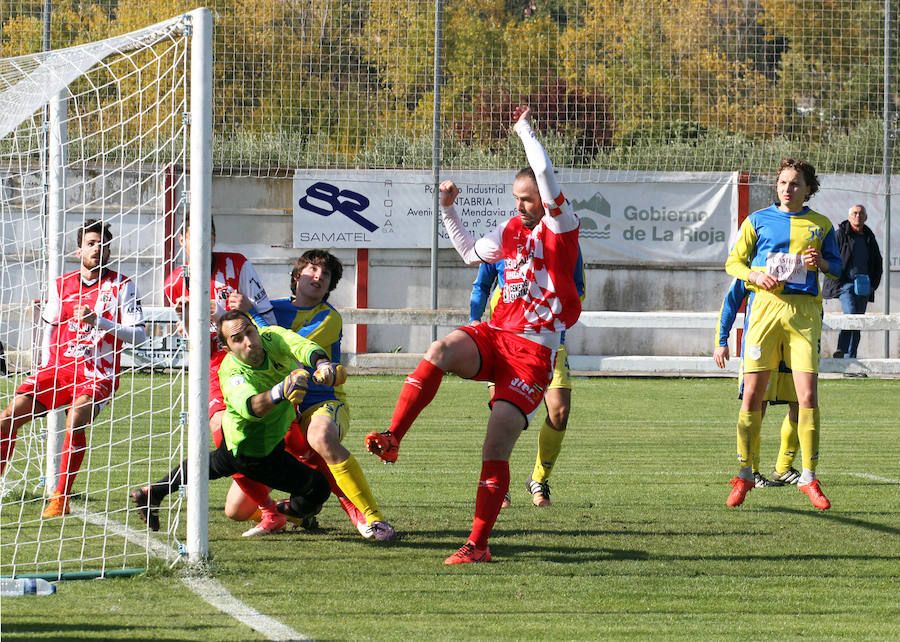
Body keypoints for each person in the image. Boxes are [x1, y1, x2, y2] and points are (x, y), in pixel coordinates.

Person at [365, 106, 581, 564]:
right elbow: (467, 253)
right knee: (440, 348)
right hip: (495, 334)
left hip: (533, 353)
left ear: (544, 199)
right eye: (516, 198)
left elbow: (542, 168)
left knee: (495, 443)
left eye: (527, 198)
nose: (520, 205)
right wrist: (447, 209)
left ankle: (477, 545)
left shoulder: (561, 228)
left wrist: (524, 126)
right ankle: (394, 436)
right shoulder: (507, 231)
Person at [223, 250, 396, 541]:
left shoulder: (328, 317)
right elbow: (240, 338)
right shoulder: (270, 308)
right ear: (296, 276)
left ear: (330, 286)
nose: (318, 277)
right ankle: (292, 512)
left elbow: (289, 344)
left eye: (325, 275)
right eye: (312, 270)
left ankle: (374, 518)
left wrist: (252, 311)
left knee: (320, 437)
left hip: (321, 404)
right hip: (280, 412)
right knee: (236, 510)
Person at [131, 218, 281, 532]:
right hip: (213, 369)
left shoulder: (237, 266)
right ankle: (274, 510)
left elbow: (270, 318)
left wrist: (249, 306)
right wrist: (186, 318)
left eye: (206, 234)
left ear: (213, 236)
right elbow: (190, 338)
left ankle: (299, 502)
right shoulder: (174, 282)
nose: (199, 241)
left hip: (251, 367)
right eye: (191, 236)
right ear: (181, 240)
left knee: (273, 444)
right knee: (224, 439)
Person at [0, 219, 147, 517]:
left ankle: (61, 498)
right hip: (58, 371)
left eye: (103, 244)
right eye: (91, 243)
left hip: (98, 373)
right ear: (79, 250)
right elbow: (50, 328)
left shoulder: (122, 286)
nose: (98, 249)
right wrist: (43, 366)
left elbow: (140, 334)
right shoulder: (61, 284)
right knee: (7, 417)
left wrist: (99, 321)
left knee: (76, 418)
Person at [723, 157, 841, 511]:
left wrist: (818, 263)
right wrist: (756, 276)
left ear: (808, 189)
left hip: (803, 315)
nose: (787, 189)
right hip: (765, 312)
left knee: (806, 396)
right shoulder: (757, 220)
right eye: (783, 183)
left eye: (795, 184)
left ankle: (808, 475)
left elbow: (836, 268)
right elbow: (734, 262)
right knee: (752, 397)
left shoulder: (820, 225)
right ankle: (745, 473)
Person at [152, 309, 333, 536]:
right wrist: (281, 390)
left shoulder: (271, 338)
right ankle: (284, 511)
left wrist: (322, 363)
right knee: (318, 488)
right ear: (227, 348)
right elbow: (251, 408)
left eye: (250, 333)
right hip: (254, 452)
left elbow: (302, 346)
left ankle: (154, 491)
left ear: (257, 330)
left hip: (251, 439)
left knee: (210, 466)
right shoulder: (231, 371)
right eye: (238, 339)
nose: (249, 342)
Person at [469, 248, 585, 508]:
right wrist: (475, 320)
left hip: (549, 341)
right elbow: (481, 286)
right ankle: (501, 485)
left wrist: (553, 314)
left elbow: (578, 289)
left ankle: (538, 479)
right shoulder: (503, 239)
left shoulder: (565, 242)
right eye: (521, 203)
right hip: (505, 341)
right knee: (502, 416)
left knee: (560, 411)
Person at [713, 278, 801, 487]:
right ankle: (751, 472)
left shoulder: (799, 260)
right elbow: (731, 301)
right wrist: (721, 341)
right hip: (759, 346)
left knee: (801, 404)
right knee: (756, 406)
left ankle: (783, 467)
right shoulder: (752, 263)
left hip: (791, 345)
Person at [822, 204, 883, 359]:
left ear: (866, 217)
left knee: (858, 322)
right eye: (855, 213)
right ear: (849, 217)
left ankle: (851, 358)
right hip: (845, 285)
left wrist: (873, 286)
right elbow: (830, 257)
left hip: (864, 286)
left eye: (861, 213)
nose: (858, 216)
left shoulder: (869, 237)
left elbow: (878, 262)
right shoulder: (840, 234)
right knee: (850, 316)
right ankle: (842, 350)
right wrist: (835, 281)